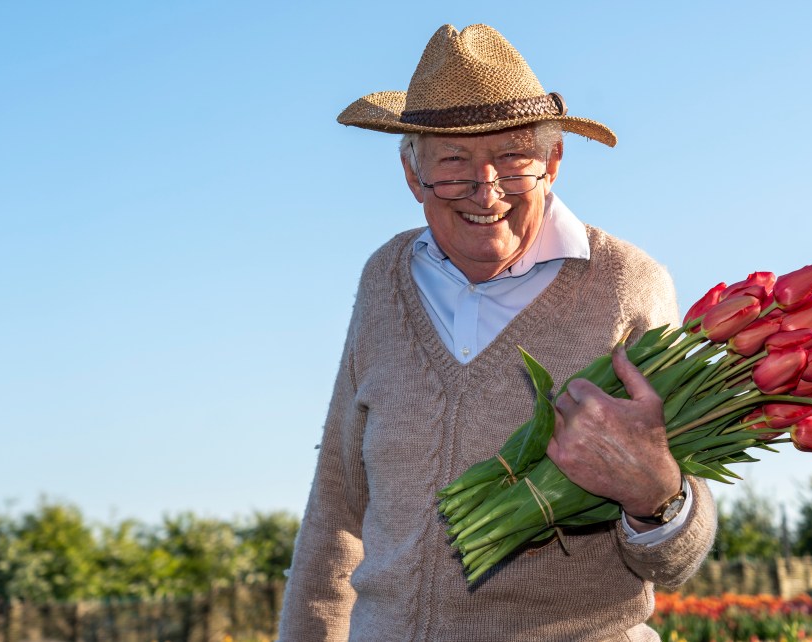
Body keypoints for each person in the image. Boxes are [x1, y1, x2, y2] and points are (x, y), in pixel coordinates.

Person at [279, 24, 716, 642]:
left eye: (512, 157)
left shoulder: (626, 284)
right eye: (453, 161)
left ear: (554, 161)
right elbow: (337, 507)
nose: (485, 190)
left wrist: (658, 497)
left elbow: (675, 562)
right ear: (412, 174)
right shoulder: (384, 279)